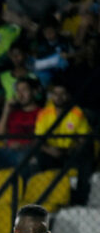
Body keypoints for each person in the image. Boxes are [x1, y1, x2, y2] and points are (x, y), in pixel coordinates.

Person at [29, 78, 94, 206]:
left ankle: (80, 199)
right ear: (51, 95)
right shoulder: (44, 113)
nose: (58, 97)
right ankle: (39, 197)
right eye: (55, 93)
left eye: (62, 93)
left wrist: (72, 149)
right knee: (36, 158)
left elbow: (83, 139)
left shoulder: (77, 112)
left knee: (86, 154)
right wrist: (51, 151)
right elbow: (38, 140)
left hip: (70, 152)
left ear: (68, 96)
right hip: (52, 152)